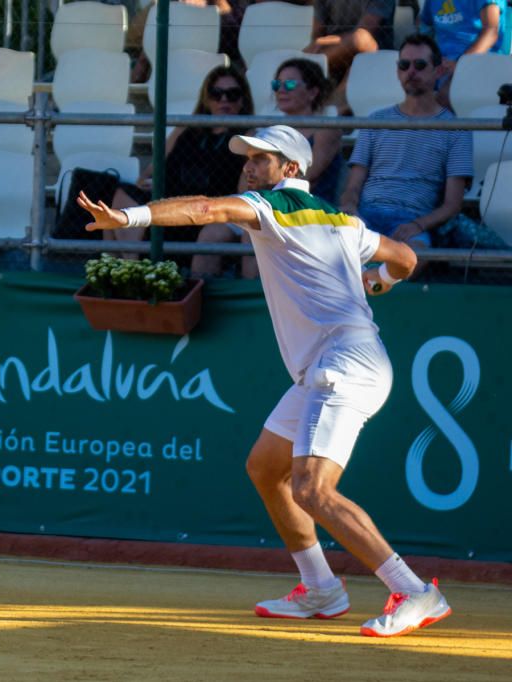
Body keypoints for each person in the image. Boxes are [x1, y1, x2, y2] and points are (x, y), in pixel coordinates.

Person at [76, 124, 452, 639]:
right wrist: (377, 283)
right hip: (332, 363)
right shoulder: (343, 220)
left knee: (313, 490)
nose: (250, 166)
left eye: (262, 158)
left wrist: (127, 216)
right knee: (265, 469)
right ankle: (320, 587)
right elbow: (406, 259)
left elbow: (207, 210)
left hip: (346, 365)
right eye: (248, 158)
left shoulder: (273, 205)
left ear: (291, 170)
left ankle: (414, 591)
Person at [339, 33, 472, 264]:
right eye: (404, 65)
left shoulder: (456, 130)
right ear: (397, 71)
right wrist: (351, 209)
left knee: (413, 260)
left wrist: (417, 225)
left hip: (412, 221)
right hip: (365, 216)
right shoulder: (375, 120)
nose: (411, 72)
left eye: (420, 65)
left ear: (438, 71)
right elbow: (352, 186)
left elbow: (453, 204)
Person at [109, 65, 253, 269]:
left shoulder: (248, 136)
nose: (224, 100)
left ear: (243, 99)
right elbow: (155, 167)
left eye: (232, 94)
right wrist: (146, 179)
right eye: (216, 94)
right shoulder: (186, 128)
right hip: (170, 198)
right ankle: (131, 268)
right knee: (122, 195)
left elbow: (245, 188)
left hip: (208, 207)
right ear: (207, 98)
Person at [273, 58, 344, 202]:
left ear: (312, 92)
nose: (281, 90)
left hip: (310, 209)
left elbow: (308, 177)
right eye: (277, 84)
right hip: (270, 203)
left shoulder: (326, 130)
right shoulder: (270, 131)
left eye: (290, 84)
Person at [419, 0, 508, 105]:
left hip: (479, 63)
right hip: (442, 65)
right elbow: (424, 31)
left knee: (448, 95)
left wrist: (461, 65)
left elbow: (491, 32)